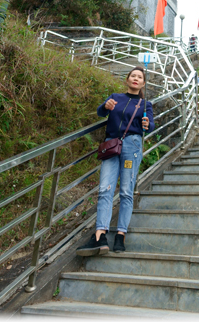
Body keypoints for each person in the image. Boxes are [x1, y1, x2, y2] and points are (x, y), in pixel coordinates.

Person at [76, 67, 154, 256]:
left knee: (126, 191)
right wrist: (106, 106)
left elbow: (150, 125)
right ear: (127, 80)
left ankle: (120, 235)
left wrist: (147, 124)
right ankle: (100, 236)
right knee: (105, 189)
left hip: (132, 147)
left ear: (143, 83)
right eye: (133, 76)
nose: (135, 79)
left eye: (139, 77)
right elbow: (100, 112)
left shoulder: (145, 105)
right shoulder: (115, 97)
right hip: (112, 146)